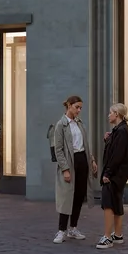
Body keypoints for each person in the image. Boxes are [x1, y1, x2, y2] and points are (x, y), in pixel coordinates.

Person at [96, 103, 128, 248]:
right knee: (116, 201)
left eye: (110, 112)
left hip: (115, 174)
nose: (108, 115)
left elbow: (117, 155)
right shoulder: (120, 130)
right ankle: (118, 234)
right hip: (119, 173)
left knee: (108, 203)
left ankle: (107, 237)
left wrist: (108, 173)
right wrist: (108, 139)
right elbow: (116, 149)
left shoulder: (122, 131)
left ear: (116, 114)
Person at [52, 94, 89, 243]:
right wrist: (65, 169)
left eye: (80, 108)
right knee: (66, 196)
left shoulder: (80, 123)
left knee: (79, 195)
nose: (79, 110)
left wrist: (91, 159)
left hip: (82, 159)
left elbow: (85, 144)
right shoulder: (60, 125)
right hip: (69, 161)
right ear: (69, 106)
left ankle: (73, 228)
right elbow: (58, 149)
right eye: (76, 107)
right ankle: (61, 230)